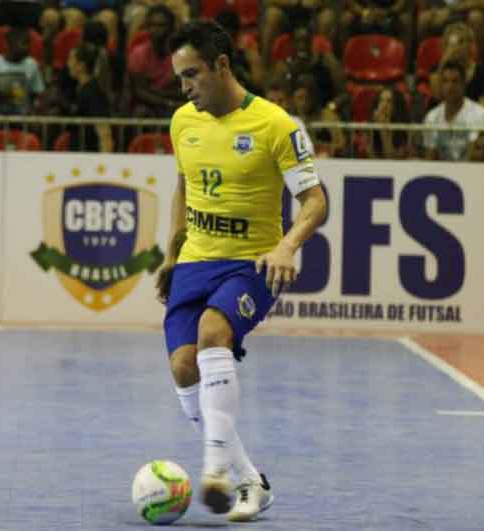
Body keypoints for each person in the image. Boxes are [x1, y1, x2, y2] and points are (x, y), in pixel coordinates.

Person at [157, 20, 327, 522]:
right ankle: (250, 481)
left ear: (222, 66)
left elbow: (315, 200)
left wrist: (287, 246)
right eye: (179, 79)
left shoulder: (277, 125)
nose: (185, 88)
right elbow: (183, 187)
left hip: (250, 262)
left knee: (214, 335)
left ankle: (213, 472)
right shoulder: (182, 122)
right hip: (194, 261)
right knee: (183, 368)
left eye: (191, 75)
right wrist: (171, 253)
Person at [424, 61, 484, 161]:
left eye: (455, 81)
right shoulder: (432, 116)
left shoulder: (479, 113)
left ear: (464, 84)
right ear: (441, 85)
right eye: (445, 81)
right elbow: (430, 157)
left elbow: (476, 156)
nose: (450, 86)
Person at [0, 25, 45, 114]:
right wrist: (6, 96)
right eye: (24, 43)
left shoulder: (32, 64)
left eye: (28, 44)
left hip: (24, 116)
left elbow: (37, 93)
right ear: (10, 43)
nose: (27, 48)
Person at [65, 42, 112, 151]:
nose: (68, 64)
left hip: (89, 157)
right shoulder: (81, 89)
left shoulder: (92, 92)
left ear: (81, 65)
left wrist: (105, 162)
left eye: (70, 60)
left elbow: (104, 131)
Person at [365, 86, 411, 159]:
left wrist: (384, 131)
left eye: (389, 101)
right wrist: (376, 127)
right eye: (381, 100)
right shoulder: (371, 124)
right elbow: (371, 156)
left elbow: (391, 159)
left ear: (396, 105)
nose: (384, 105)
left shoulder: (404, 128)